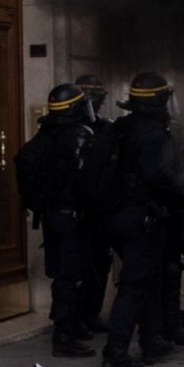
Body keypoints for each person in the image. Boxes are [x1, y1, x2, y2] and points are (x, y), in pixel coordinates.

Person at [101, 73, 184, 367]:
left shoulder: (120, 127)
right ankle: (115, 352)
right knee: (133, 286)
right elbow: (162, 176)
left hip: (116, 216)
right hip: (142, 217)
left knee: (146, 281)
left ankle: (151, 339)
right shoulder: (154, 134)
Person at [18, 84, 98, 357]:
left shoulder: (45, 134)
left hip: (51, 216)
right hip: (73, 217)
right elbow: (89, 181)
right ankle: (64, 336)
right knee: (70, 276)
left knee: (62, 273)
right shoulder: (79, 136)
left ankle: (69, 325)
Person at [73, 75, 114, 333]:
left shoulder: (104, 127)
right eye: (92, 96)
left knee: (101, 262)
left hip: (101, 206)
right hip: (80, 208)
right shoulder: (73, 130)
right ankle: (77, 318)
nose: (96, 102)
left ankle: (91, 313)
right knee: (80, 267)